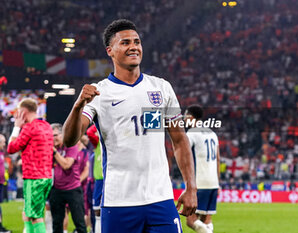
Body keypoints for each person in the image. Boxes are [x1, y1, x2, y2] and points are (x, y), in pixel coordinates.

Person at [62, 19, 197, 233]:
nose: (133, 46)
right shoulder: (99, 93)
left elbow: (180, 141)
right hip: (119, 202)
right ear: (110, 51)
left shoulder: (161, 87)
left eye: (137, 41)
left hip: (161, 200)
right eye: (125, 42)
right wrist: (78, 106)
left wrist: (191, 187)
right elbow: (69, 139)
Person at [7, 98, 53, 233]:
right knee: (27, 214)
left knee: (35, 217)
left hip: (34, 178)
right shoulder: (47, 126)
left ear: (24, 112)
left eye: (19, 112)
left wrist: (16, 127)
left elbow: (11, 148)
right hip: (45, 177)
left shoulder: (29, 127)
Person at [184, 105, 220, 233]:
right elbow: (218, 159)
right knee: (207, 220)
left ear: (191, 117)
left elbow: (185, 155)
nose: (184, 120)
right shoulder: (212, 133)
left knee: (191, 221)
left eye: (185, 116)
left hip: (200, 182)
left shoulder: (192, 133)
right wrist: (218, 183)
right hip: (213, 183)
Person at [49, 123, 87, 233]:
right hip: (56, 189)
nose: (53, 138)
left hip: (73, 189)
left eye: (55, 135)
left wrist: (54, 152)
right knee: (56, 224)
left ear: (62, 134)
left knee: (79, 223)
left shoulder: (71, 145)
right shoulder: (52, 148)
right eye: (51, 136)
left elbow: (66, 165)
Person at [86, 125, 102, 233]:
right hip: (100, 180)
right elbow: (90, 132)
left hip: (114, 179)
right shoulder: (98, 142)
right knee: (97, 211)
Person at [0, 134, 10, 233]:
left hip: (1, 183)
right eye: (3, 142)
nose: (4, 144)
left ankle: (1, 227)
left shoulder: (2, 153)